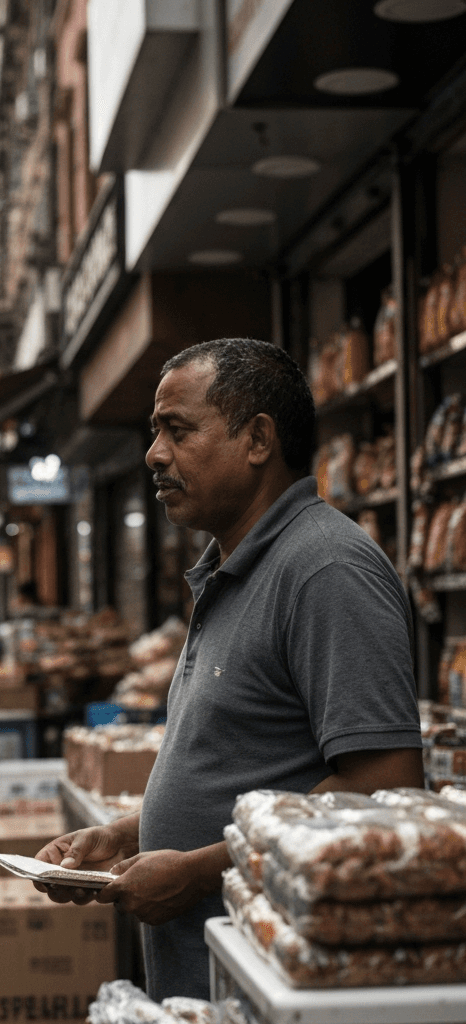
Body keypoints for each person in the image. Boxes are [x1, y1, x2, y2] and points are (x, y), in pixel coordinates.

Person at [35, 338, 423, 1001]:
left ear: (258, 440)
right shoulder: (232, 567)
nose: (154, 454)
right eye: (155, 432)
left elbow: (384, 784)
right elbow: (249, 769)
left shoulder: (325, 569)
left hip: (271, 979)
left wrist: (198, 871)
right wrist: (124, 834)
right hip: (214, 979)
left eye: (177, 430)